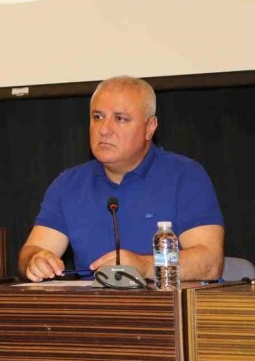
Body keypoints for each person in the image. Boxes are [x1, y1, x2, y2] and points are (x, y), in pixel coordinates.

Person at [19, 76, 224, 282]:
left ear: (150, 127)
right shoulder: (68, 185)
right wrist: (35, 260)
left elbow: (210, 262)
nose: (104, 129)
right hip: (92, 302)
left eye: (120, 119)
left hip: (167, 302)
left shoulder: (185, 176)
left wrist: (144, 266)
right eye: (97, 117)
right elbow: (32, 250)